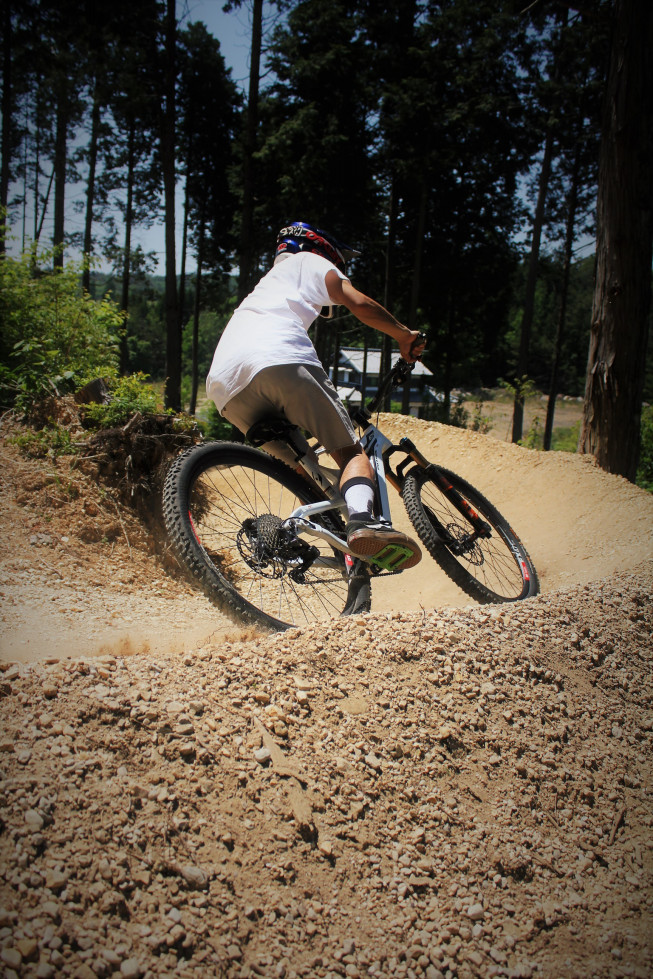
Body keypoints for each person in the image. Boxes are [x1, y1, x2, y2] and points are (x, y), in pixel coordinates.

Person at [206, 220, 424, 570]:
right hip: (279, 359)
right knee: (352, 455)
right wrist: (403, 335)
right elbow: (358, 302)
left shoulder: (264, 287)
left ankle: (288, 538)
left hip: (225, 388)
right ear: (322, 248)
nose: (341, 268)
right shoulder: (309, 260)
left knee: (309, 474)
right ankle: (364, 525)